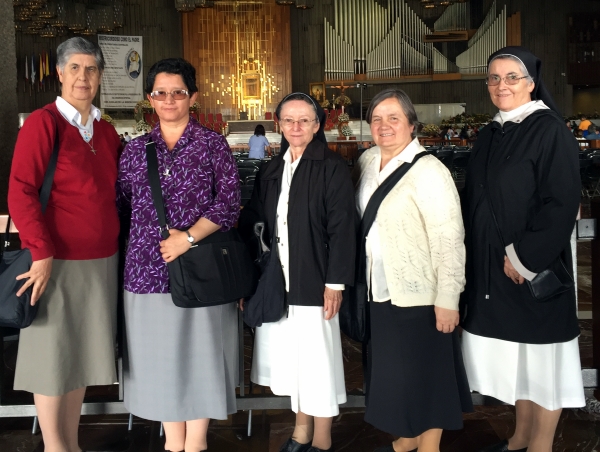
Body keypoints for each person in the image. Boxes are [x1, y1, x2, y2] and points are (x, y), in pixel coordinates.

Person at [461, 47, 584, 452]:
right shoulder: (491, 131)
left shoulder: (549, 129)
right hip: (493, 268)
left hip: (530, 268)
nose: (502, 85)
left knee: (543, 365)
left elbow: (562, 202)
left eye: (512, 77)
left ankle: (540, 446)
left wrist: (524, 257)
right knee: (521, 361)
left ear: (531, 83)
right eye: (494, 78)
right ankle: (518, 439)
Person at [117, 58, 240, 452]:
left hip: (200, 268)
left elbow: (229, 204)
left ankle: (197, 442)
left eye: (178, 92)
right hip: (146, 272)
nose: (169, 99)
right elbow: (123, 204)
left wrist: (187, 238)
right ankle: (174, 443)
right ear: (149, 99)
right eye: (160, 92)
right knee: (161, 362)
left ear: (193, 97)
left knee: (202, 357)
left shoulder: (211, 144)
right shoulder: (135, 150)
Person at [8, 36, 121, 452]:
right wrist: (40, 251)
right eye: (74, 67)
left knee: (78, 361)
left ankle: (70, 444)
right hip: (55, 262)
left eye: (91, 68)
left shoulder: (106, 131)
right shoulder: (43, 124)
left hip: (101, 261)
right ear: (58, 73)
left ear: (99, 76)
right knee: (51, 360)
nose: (83, 76)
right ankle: (55, 447)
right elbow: (20, 191)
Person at [354, 89, 472, 452]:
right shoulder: (367, 161)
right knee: (397, 373)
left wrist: (448, 297)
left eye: (393, 118)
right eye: (377, 119)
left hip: (423, 291)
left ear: (411, 125)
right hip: (380, 287)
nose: (384, 126)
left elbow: (449, 239)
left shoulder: (430, 171)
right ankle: (408, 436)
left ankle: (428, 445)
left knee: (429, 371)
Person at [239, 93, 356, 452]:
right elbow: (255, 223)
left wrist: (334, 283)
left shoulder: (332, 167)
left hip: (314, 280)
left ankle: (322, 438)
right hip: (278, 280)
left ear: (317, 125)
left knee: (317, 364)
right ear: (278, 125)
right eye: (289, 120)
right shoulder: (272, 170)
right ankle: (300, 429)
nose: (296, 127)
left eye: (304, 120)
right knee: (294, 363)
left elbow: (342, 228)